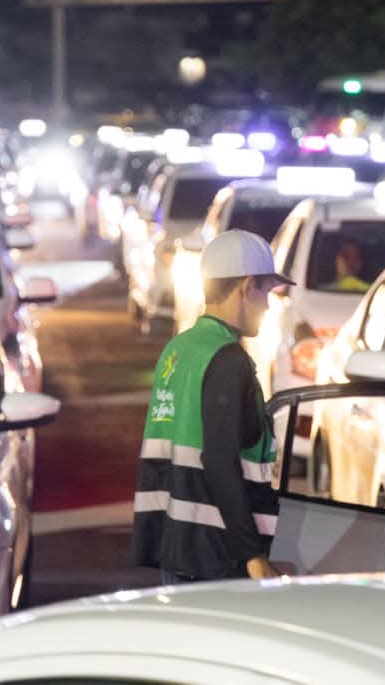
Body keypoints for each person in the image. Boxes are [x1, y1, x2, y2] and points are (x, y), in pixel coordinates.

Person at [133, 229, 291, 584]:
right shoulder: (228, 359)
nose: (267, 305)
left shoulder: (179, 349)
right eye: (266, 291)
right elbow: (219, 461)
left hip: (175, 545)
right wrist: (252, 555)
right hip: (217, 556)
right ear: (246, 286)